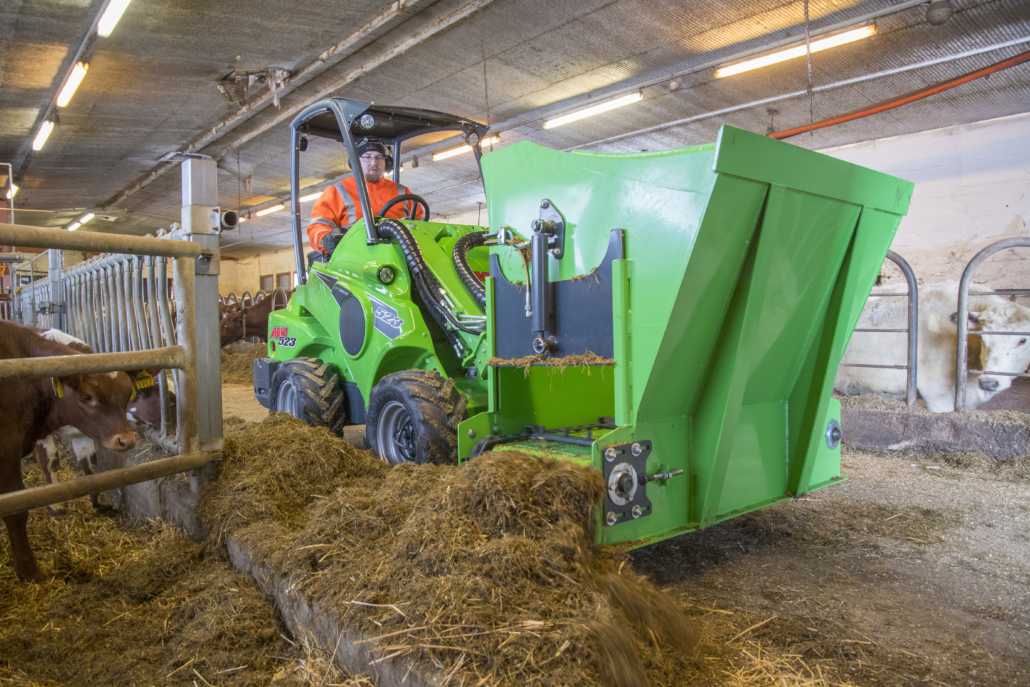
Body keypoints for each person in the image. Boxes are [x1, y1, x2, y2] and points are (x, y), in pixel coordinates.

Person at [306, 137, 425, 256]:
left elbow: (423, 226)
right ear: (356, 161)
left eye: (379, 157)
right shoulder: (337, 191)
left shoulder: (403, 192)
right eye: (367, 157)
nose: (374, 163)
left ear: (386, 162)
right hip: (354, 259)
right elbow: (318, 227)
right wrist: (326, 240)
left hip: (399, 257)